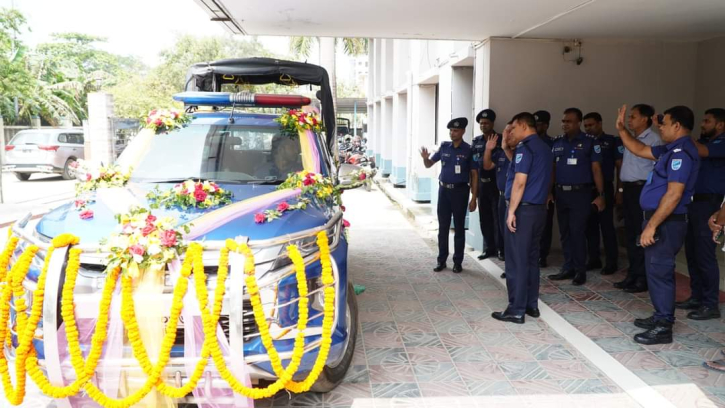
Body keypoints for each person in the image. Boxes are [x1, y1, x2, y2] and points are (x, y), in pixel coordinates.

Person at [616, 105, 700, 345]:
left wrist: (651, 226)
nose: (659, 127)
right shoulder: (670, 149)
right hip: (659, 220)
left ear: (677, 126)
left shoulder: (682, 153)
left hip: (667, 222)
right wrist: (622, 129)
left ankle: (664, 325)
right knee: (655, 271)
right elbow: (640, 148)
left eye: (664, 123)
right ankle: (660, 315)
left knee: (660, 271)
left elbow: (674, 194)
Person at [491, 112, 553, 324]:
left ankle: (516, 309)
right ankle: (531, 305)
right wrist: (507, 148)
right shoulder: (544, 147)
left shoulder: (525, 148)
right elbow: (526, 169)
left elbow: (520, 181)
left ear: (524, 126)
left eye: (514, 128)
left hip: (523, 212)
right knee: (530, 259)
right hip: (538, 211)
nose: (511, 132)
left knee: (516, 261)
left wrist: (511, 212)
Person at [677, 108, 725, 320]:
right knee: (692, 253)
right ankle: (696, 296)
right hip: (695, 204)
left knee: (705, 256)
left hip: (711, 204)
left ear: (720, 125)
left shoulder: (720, 142)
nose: (703, 124)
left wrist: (682, 133)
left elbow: (703, 152)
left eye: (707, 121)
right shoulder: (702, 142)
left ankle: (710, 304)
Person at [548, 108, 605, 286]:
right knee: (565, 232)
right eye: (564, 121)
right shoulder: (556, 142)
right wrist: (549, 191)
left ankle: (580, 270)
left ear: (578, 122)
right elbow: (553, 170)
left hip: (581, 193)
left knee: (577, 232)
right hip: (561, 193)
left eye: (569, 121)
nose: (565, 124)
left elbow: (596, 169)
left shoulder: (589, 142)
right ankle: (568, 267)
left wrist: (601, 194)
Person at [615, 104, 662, 293]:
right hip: (628, 190)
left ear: (645, 119)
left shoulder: (654, 140)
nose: (629, 120)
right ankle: (633, 274)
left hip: (643, 190)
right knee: (631, 231)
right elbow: (625, 170)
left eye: (633, 117)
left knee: (641, 234)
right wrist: (619, 189)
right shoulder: (631, 139)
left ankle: (642, 278)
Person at [420, 118, 478, 273]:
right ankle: (441, 260)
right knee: (443, 228)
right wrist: (425, 158)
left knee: (459, 227)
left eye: (456, 130)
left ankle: (458, 262)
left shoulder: (468, 150)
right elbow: (429, 164)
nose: (453, 133)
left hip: (460, 192)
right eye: (451, 130)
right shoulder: (444, 147)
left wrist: (474, 198)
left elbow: (474, 174)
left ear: (463, 131)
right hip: (444, 191)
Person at [583, 112, 623, 276]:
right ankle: (594, 259)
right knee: (590, 226)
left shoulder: (612, 141)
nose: (588, 128)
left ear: (599, 123)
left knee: (606, 226)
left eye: (591, 125)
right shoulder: (584, 142)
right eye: (585, 126)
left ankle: (611, 262)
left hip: (605, 187)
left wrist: (619, 191)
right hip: (587, 188)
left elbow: (620, 167)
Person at [482, 121, 514, 278]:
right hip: (502, 197)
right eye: (505, 132)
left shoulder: (521, 151)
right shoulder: (500, 153)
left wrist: (506, 148)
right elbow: (487, 166)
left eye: (510, 132)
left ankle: (516, 269)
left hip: (516, 200)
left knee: (515, 236)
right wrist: (488, 150)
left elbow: (516, 164)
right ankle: (509, 268)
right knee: (504, 234)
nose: (506, 135)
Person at [472, 109, 504, 261]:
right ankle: (489, 248)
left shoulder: (501, 140)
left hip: (496, 185)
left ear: (492, 123)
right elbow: (472, 167)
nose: (483, 125)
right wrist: (474, 190)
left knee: (498, 218)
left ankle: (500, 250)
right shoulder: (476, 142)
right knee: (484, 218)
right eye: (481, 123)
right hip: (482, 185)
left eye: (486, 123)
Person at [534, 110, 558, 268]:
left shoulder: (552, 143)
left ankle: (542, 255)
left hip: (547, 189)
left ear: (546, 125)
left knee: (545, 224)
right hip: (531, 189)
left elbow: (553, 170)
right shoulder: (528, 143)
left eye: (539, 124)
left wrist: (549, 191)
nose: (536, 127)